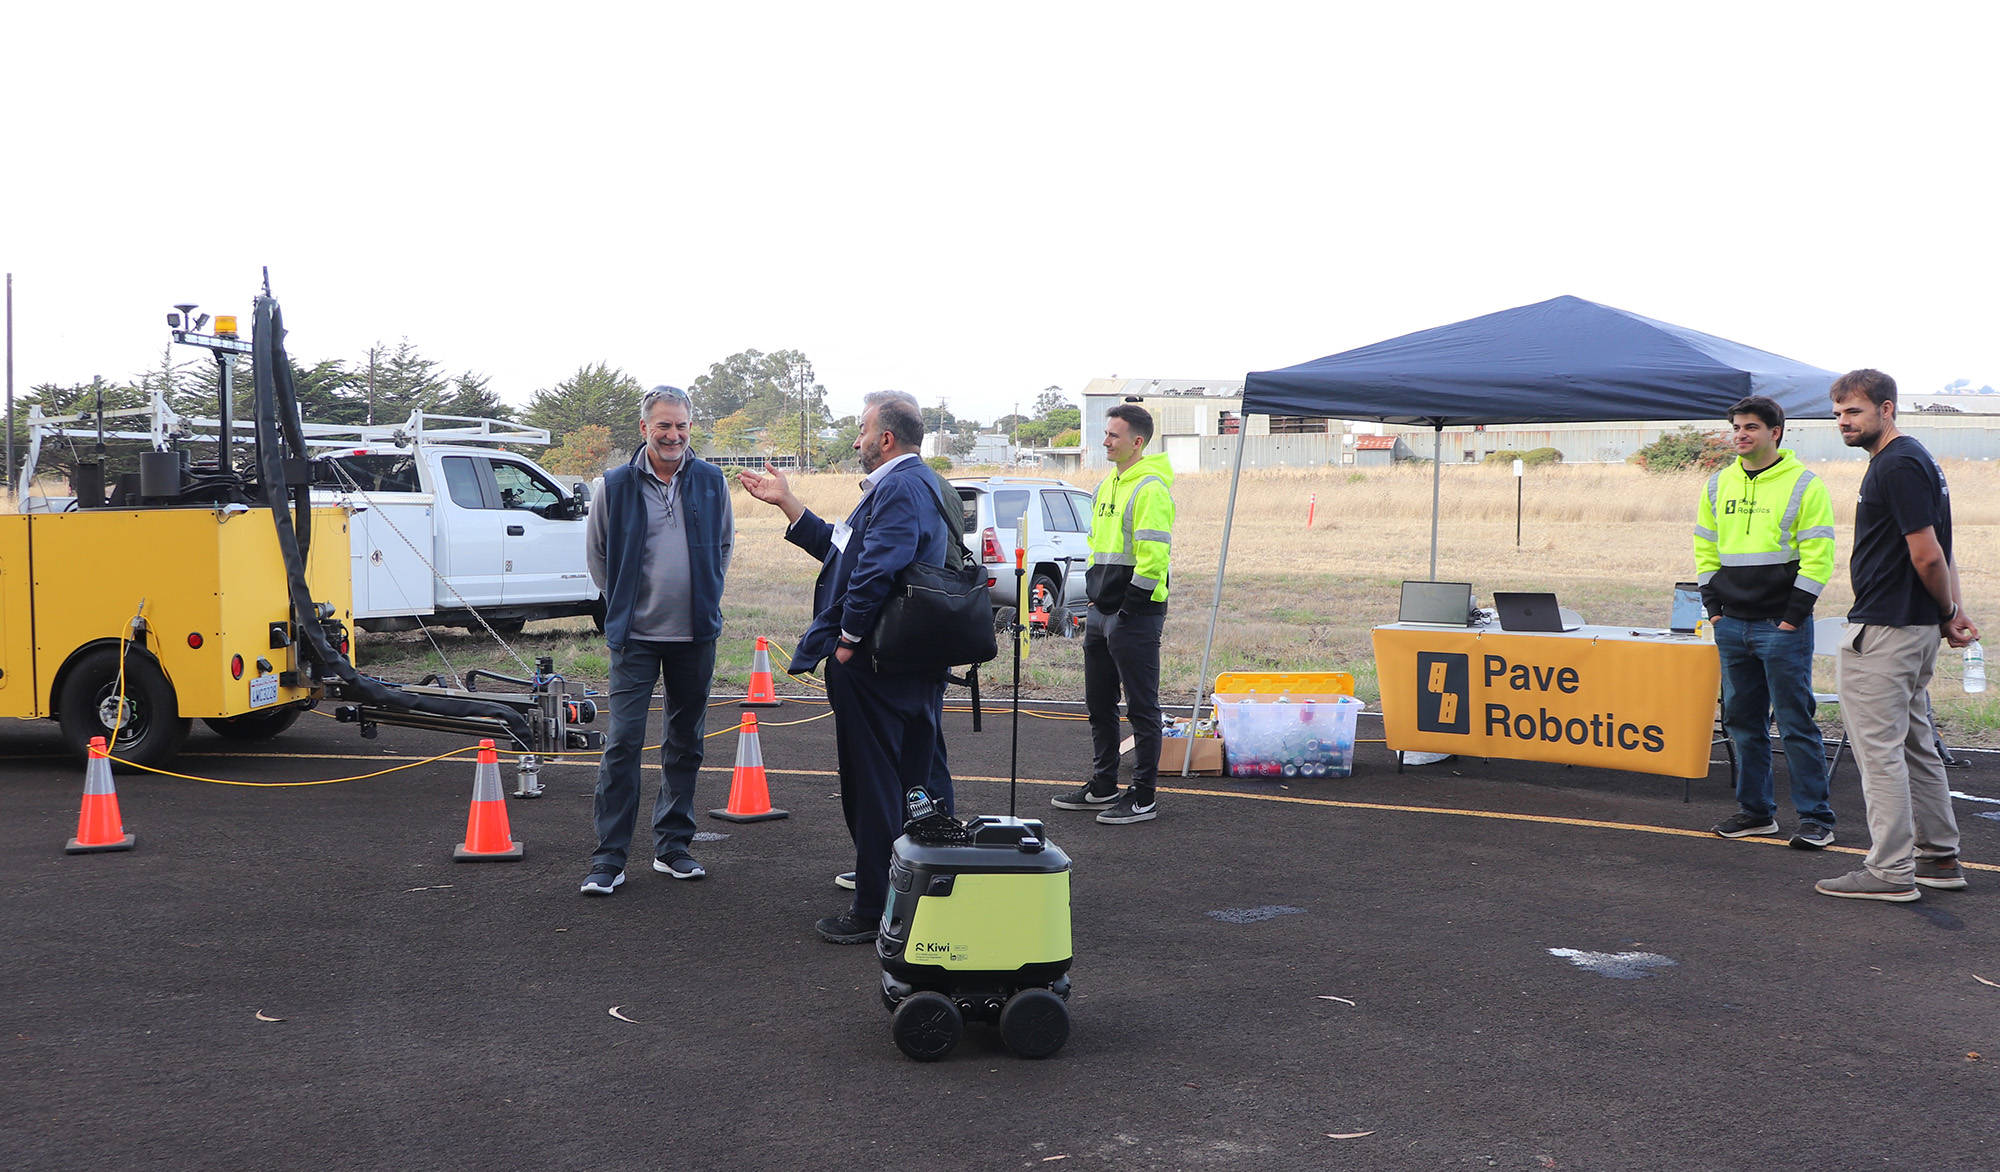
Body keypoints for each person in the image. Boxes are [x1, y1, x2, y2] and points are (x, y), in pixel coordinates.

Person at [736, 391, 958, 943]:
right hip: (914, 658)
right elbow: (847, 551)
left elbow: (874, 570)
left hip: (881, 662)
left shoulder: (899, 488)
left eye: (861, 431)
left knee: (876, 781)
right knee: (918, 778)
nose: (856, 441)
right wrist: (791, 505)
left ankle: (875, 906)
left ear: (885, 439)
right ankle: (924, 884)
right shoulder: (926, 483)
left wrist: (847, 640)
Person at [1815, 369, 1979, 901]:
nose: (1843, 421)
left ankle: (1889, 871)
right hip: (1913, 628)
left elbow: (1928, 553)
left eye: (1855, 411)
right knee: (1914, 744)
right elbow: (1942, 548)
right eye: (1838, 412)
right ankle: (1939, 857)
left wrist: (1949, 607)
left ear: (1887, 410)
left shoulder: (1897, 463)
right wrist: (1952, 613)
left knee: (1879, 751)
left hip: (1885, 630)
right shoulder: (1918, 459)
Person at [579, 386, 734, 896]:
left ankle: (672, 847)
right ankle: (610, 858)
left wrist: (703, 596)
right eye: (663, 426)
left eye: (682, 426)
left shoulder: (712, 482)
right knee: (623, 743)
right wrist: (624, 606)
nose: (674, 436)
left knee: (685, 741)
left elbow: (724, 547)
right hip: (636, 638)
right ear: (644, 429)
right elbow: (599, 557)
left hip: (694, 635)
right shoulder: (614, 486)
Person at [1692, 394, 1838, 849]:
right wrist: (1714, 610)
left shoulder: (1804, 484)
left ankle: (1816, 819)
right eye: (1736, 426)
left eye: (1751, 426)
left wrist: (1794, 618)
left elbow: (1819, 557)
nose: (1740, 434)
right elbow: (1705, 550)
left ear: (1775, 432)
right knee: (1742, 724)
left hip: (1781, 626)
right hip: (1732, 625)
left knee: (1796, 724)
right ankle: (1756, 813)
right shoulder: (1718, 485)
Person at [1051, 402, 1175, 825]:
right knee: (1098, 703)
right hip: (1101, 612)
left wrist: (1126, 612)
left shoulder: (1151, 488)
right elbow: (1098, 551)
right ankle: (1104, 784)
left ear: (1136, 442)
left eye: (1113, 435)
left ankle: (1143, 796)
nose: (1105, 441)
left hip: (1133, 616)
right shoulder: (1108, 486)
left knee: (1142, 708)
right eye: (1106, 434)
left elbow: (1154, 560)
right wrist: (1094, 602)